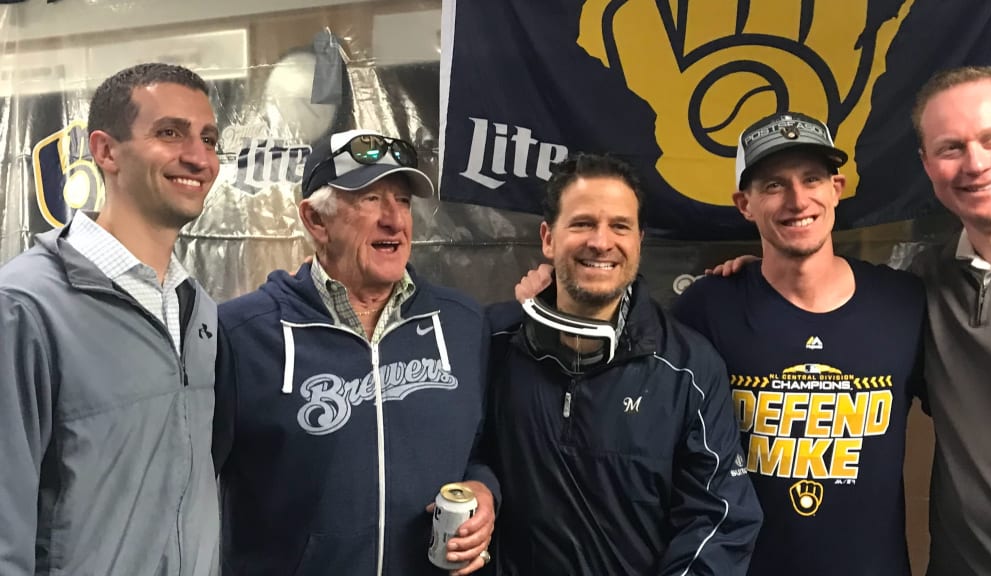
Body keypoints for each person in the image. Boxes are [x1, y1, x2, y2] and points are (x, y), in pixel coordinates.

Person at [214, 129, 498, 576]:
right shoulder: (240, 334)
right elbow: (184, 489)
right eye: (369, 199)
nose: (394, 220)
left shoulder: (461, 322)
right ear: (315, 220)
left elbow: (483, 449)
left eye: (402, 201)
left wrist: (484, 492)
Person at [670, 112, 926, 576]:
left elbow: (979, 412)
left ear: (837, 188)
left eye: (812, 179)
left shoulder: (904, 303)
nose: (797, 199)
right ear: (743, 203)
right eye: (773, 185)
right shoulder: (707, 308)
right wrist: (551, 292)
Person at [486, 152, 762, 575]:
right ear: (548, 238)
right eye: (581, 224)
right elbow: (454, 454)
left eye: (620, 226)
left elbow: (720, 518)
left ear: (638, 241)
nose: (601, 242)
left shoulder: (689, 367)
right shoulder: (493, 343)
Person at [0, 63, 221, 575]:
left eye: (209, 138)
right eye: (170, 133)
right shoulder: (25, 307)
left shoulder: (196, 308)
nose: (198, 156)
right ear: (105, 151)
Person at [911, 65, 991, 576]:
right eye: (951, 147)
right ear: (927, 164)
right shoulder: (925, 280)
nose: (977, 163)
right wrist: (775, 270)